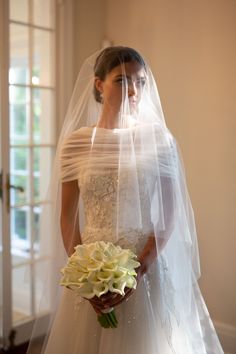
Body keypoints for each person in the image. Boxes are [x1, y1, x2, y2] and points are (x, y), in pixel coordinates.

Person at [27, 46, 224, 353]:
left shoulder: (160, 141)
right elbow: (67, 217)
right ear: (98, 84)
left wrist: (137, 272)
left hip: (144, 269)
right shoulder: (76, 144)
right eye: (122, 80)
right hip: (91, 271)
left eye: (140, 81)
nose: (134, 89)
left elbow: (169, 215)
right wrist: (83, 275)